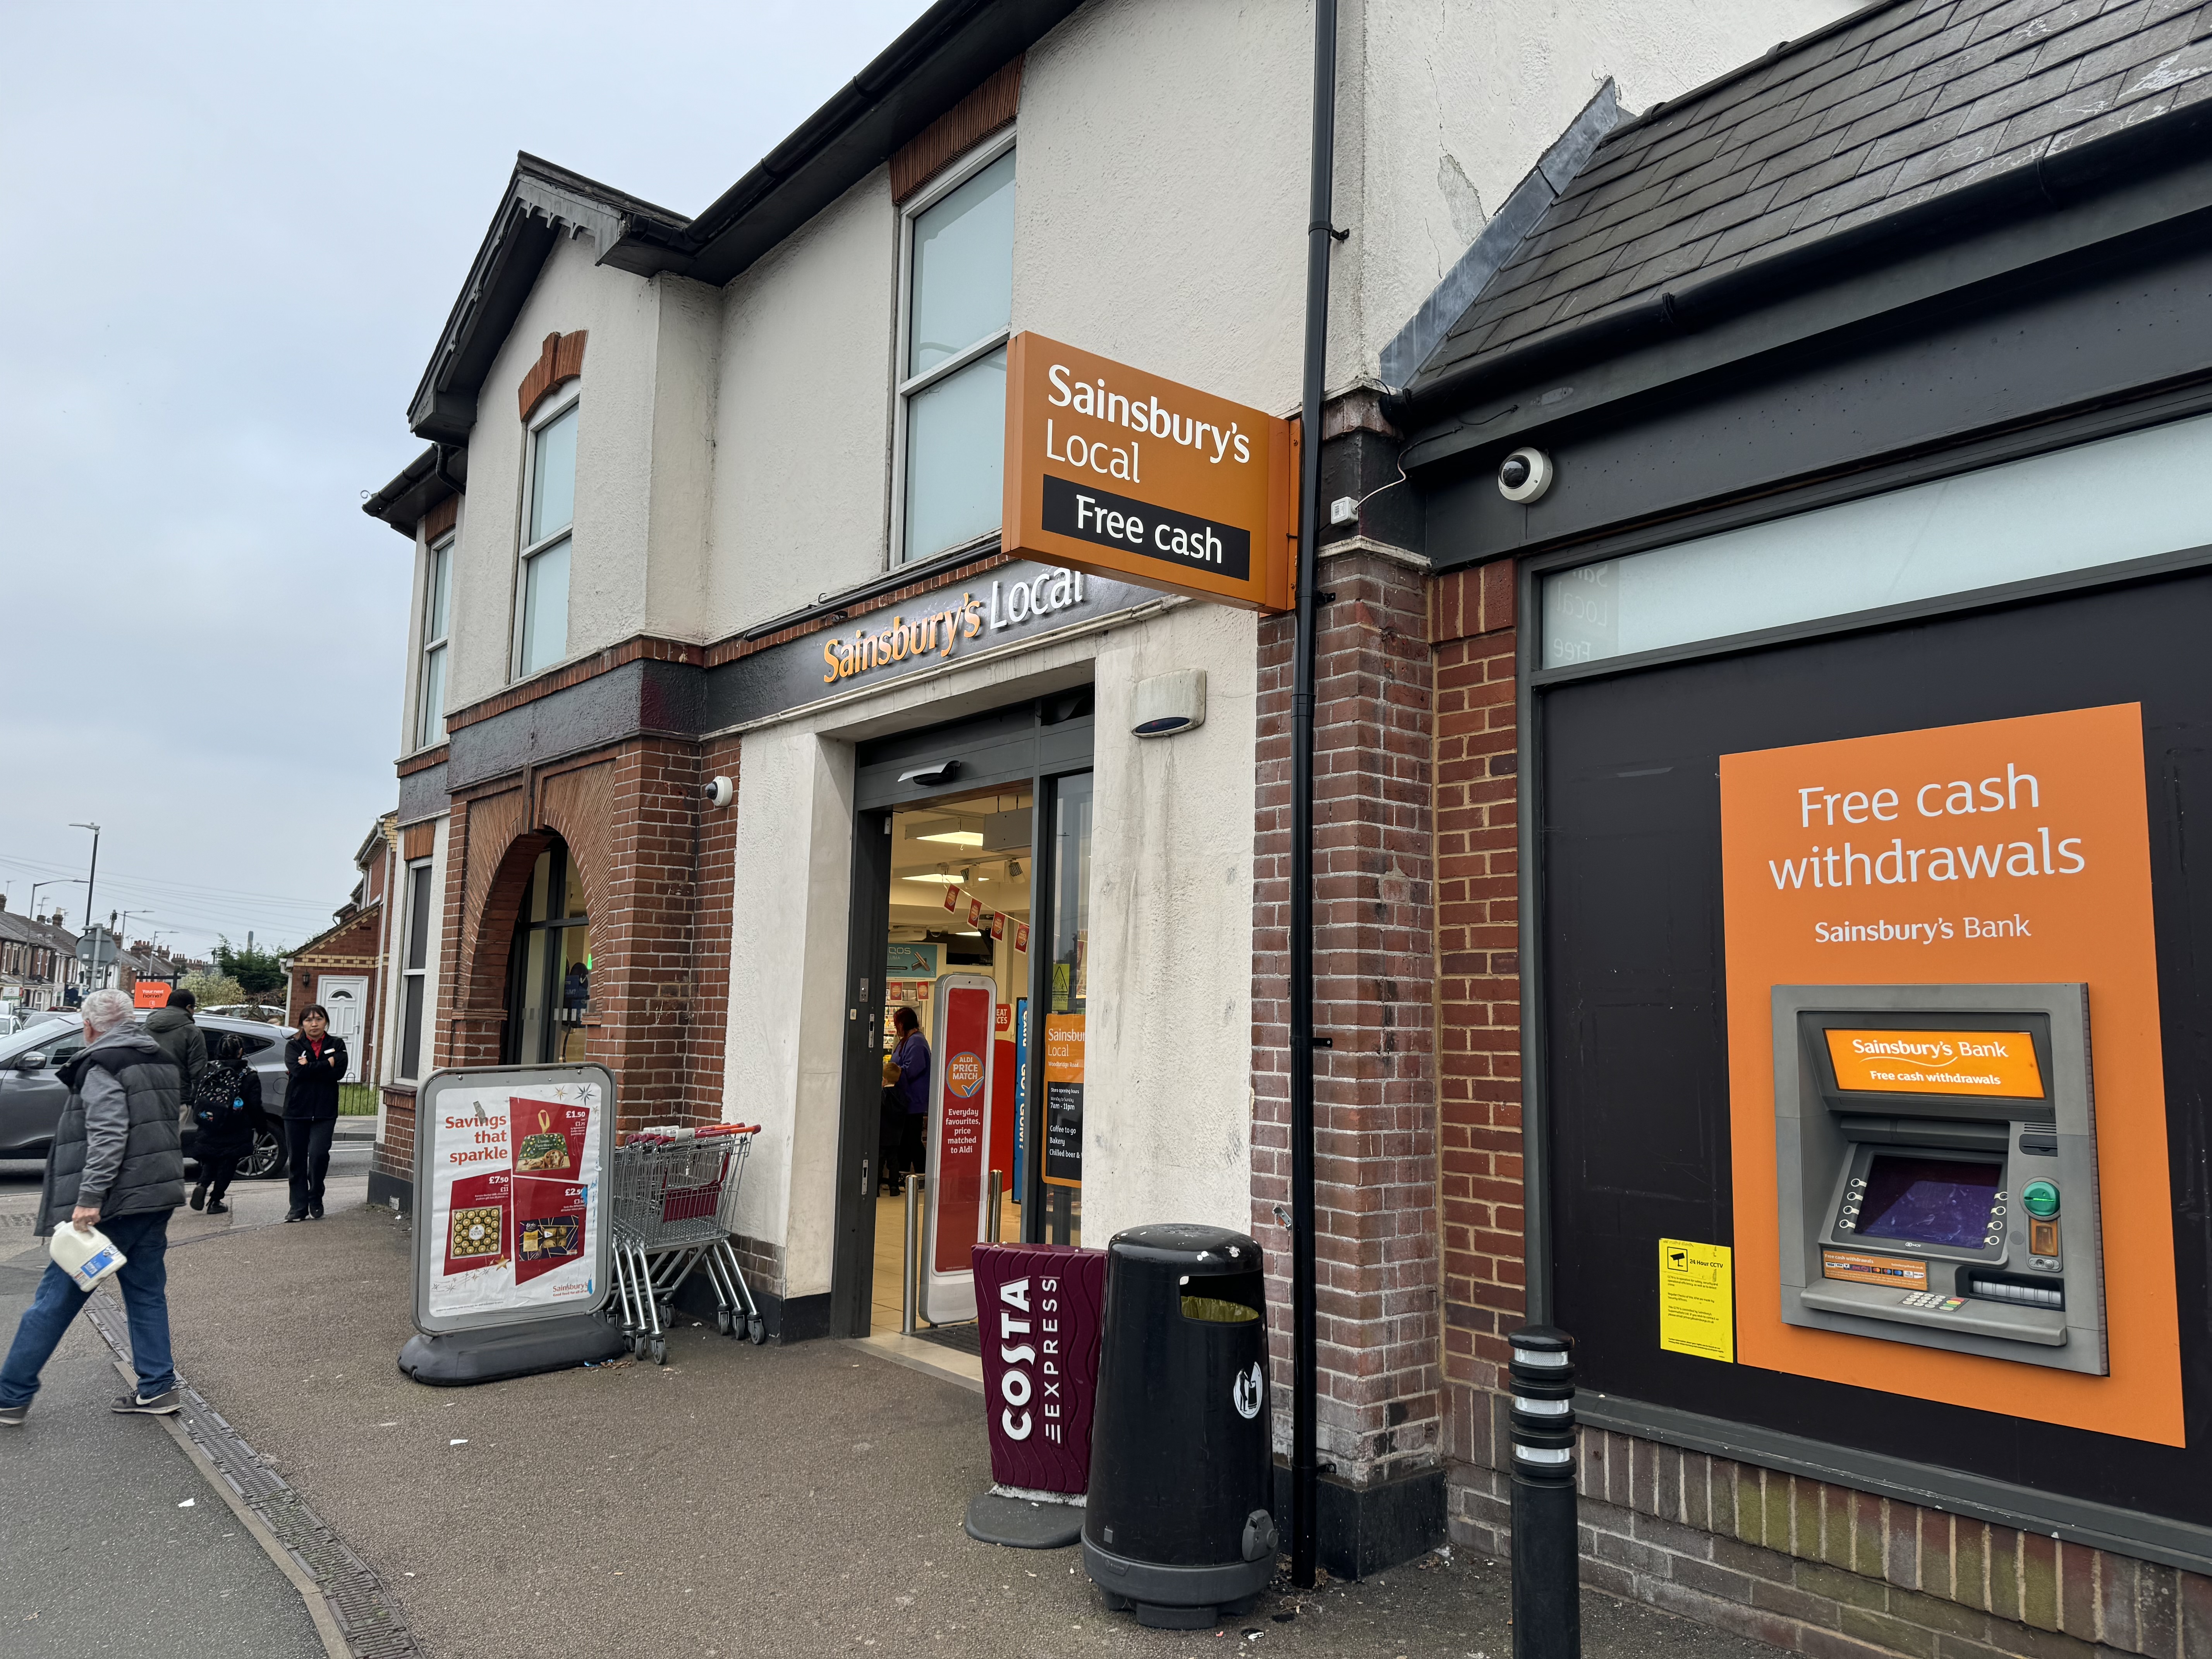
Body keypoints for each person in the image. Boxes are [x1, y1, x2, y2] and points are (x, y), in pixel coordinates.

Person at [0, 988, 186, 1424]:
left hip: (114, 1204)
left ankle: (11, 1393)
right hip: (154, 1194)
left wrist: (89, 1199)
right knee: (145, 1293)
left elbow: (108, 1135)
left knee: (55, 1298)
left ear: (89, 1027)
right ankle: (157, 1387)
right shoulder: (157, 1058)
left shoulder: (101, 1064)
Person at [189, 1032, 268, 1216]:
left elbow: (195, 1097)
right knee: (228, 1164)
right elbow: (255, 1105)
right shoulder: (248, 1076)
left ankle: (202, 1184)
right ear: (241, 1052)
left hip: (209, 1123)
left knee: (210, 1159)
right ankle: (215, 1201)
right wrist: (261, 1127)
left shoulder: (208, 1070)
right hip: (236, 1126)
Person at [282, 1004, 347, 1222]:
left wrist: (311, 1066)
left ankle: (315, 1196)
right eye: (309, 1020)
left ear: (326, 1021)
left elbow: (338, 1073)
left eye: (319, 1019)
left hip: (325, 1111)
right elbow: (298, 1072)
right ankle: (298, 1207)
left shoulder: (336, 1044)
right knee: (297, 1161)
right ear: (302, 1024)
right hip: (296, 1110)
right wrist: (326, 1064)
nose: (314, 1024)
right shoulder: (293, 1045)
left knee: (319, 1156)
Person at [886, 1005, 931, 1188]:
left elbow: (912, 1069)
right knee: (904, 1139)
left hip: (914, 1100)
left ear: (904, 1024)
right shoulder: (907, 1041)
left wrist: (892, 1074)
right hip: (904, 1100)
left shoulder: (917, 1042)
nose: (897, 1028)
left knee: (913, 1139)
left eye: (898, 1024)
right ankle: (902, 1173)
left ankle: (923, 1175)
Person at [145, 983, 207, 1099]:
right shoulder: (193, 1033)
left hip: (146, 1096)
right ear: (189, 1007)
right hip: (178, 1098)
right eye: (194, 1008)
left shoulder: (144, 1028)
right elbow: (198, 1073)